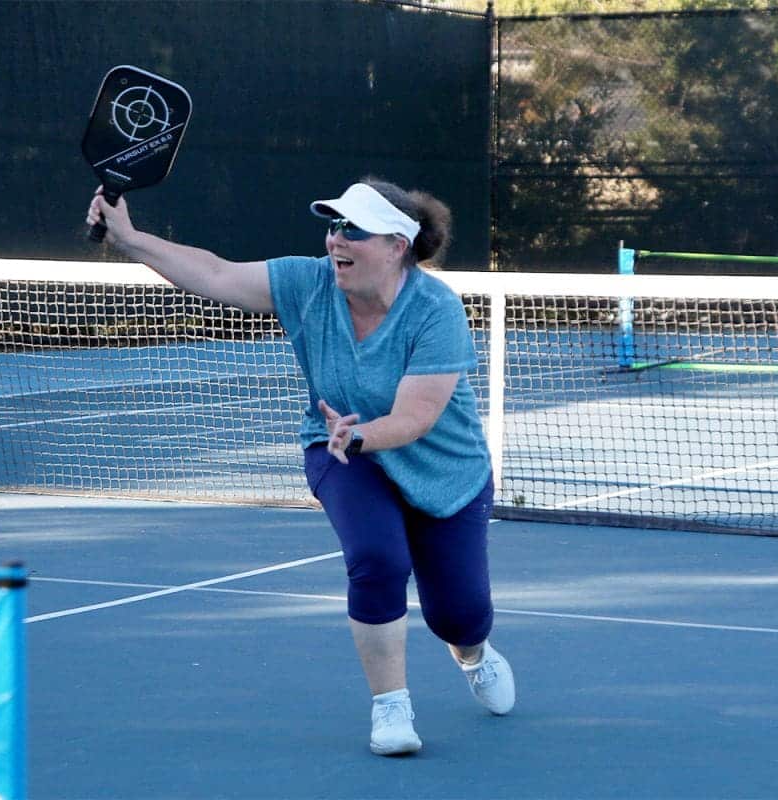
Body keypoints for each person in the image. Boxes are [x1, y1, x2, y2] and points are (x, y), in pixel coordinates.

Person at [86, 178, 514, 756]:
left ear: (397, 246)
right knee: (377, 559)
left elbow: (416, 416)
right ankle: (391, 706)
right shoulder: (308, 282)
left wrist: (362, 433)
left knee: (459, 615)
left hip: (446, 474)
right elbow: (215, 273)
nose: (337, 238)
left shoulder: (435, 308)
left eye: (354, 229)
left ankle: (473, 653)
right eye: (334, 225)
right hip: (339, 451)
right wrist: (131, 239)